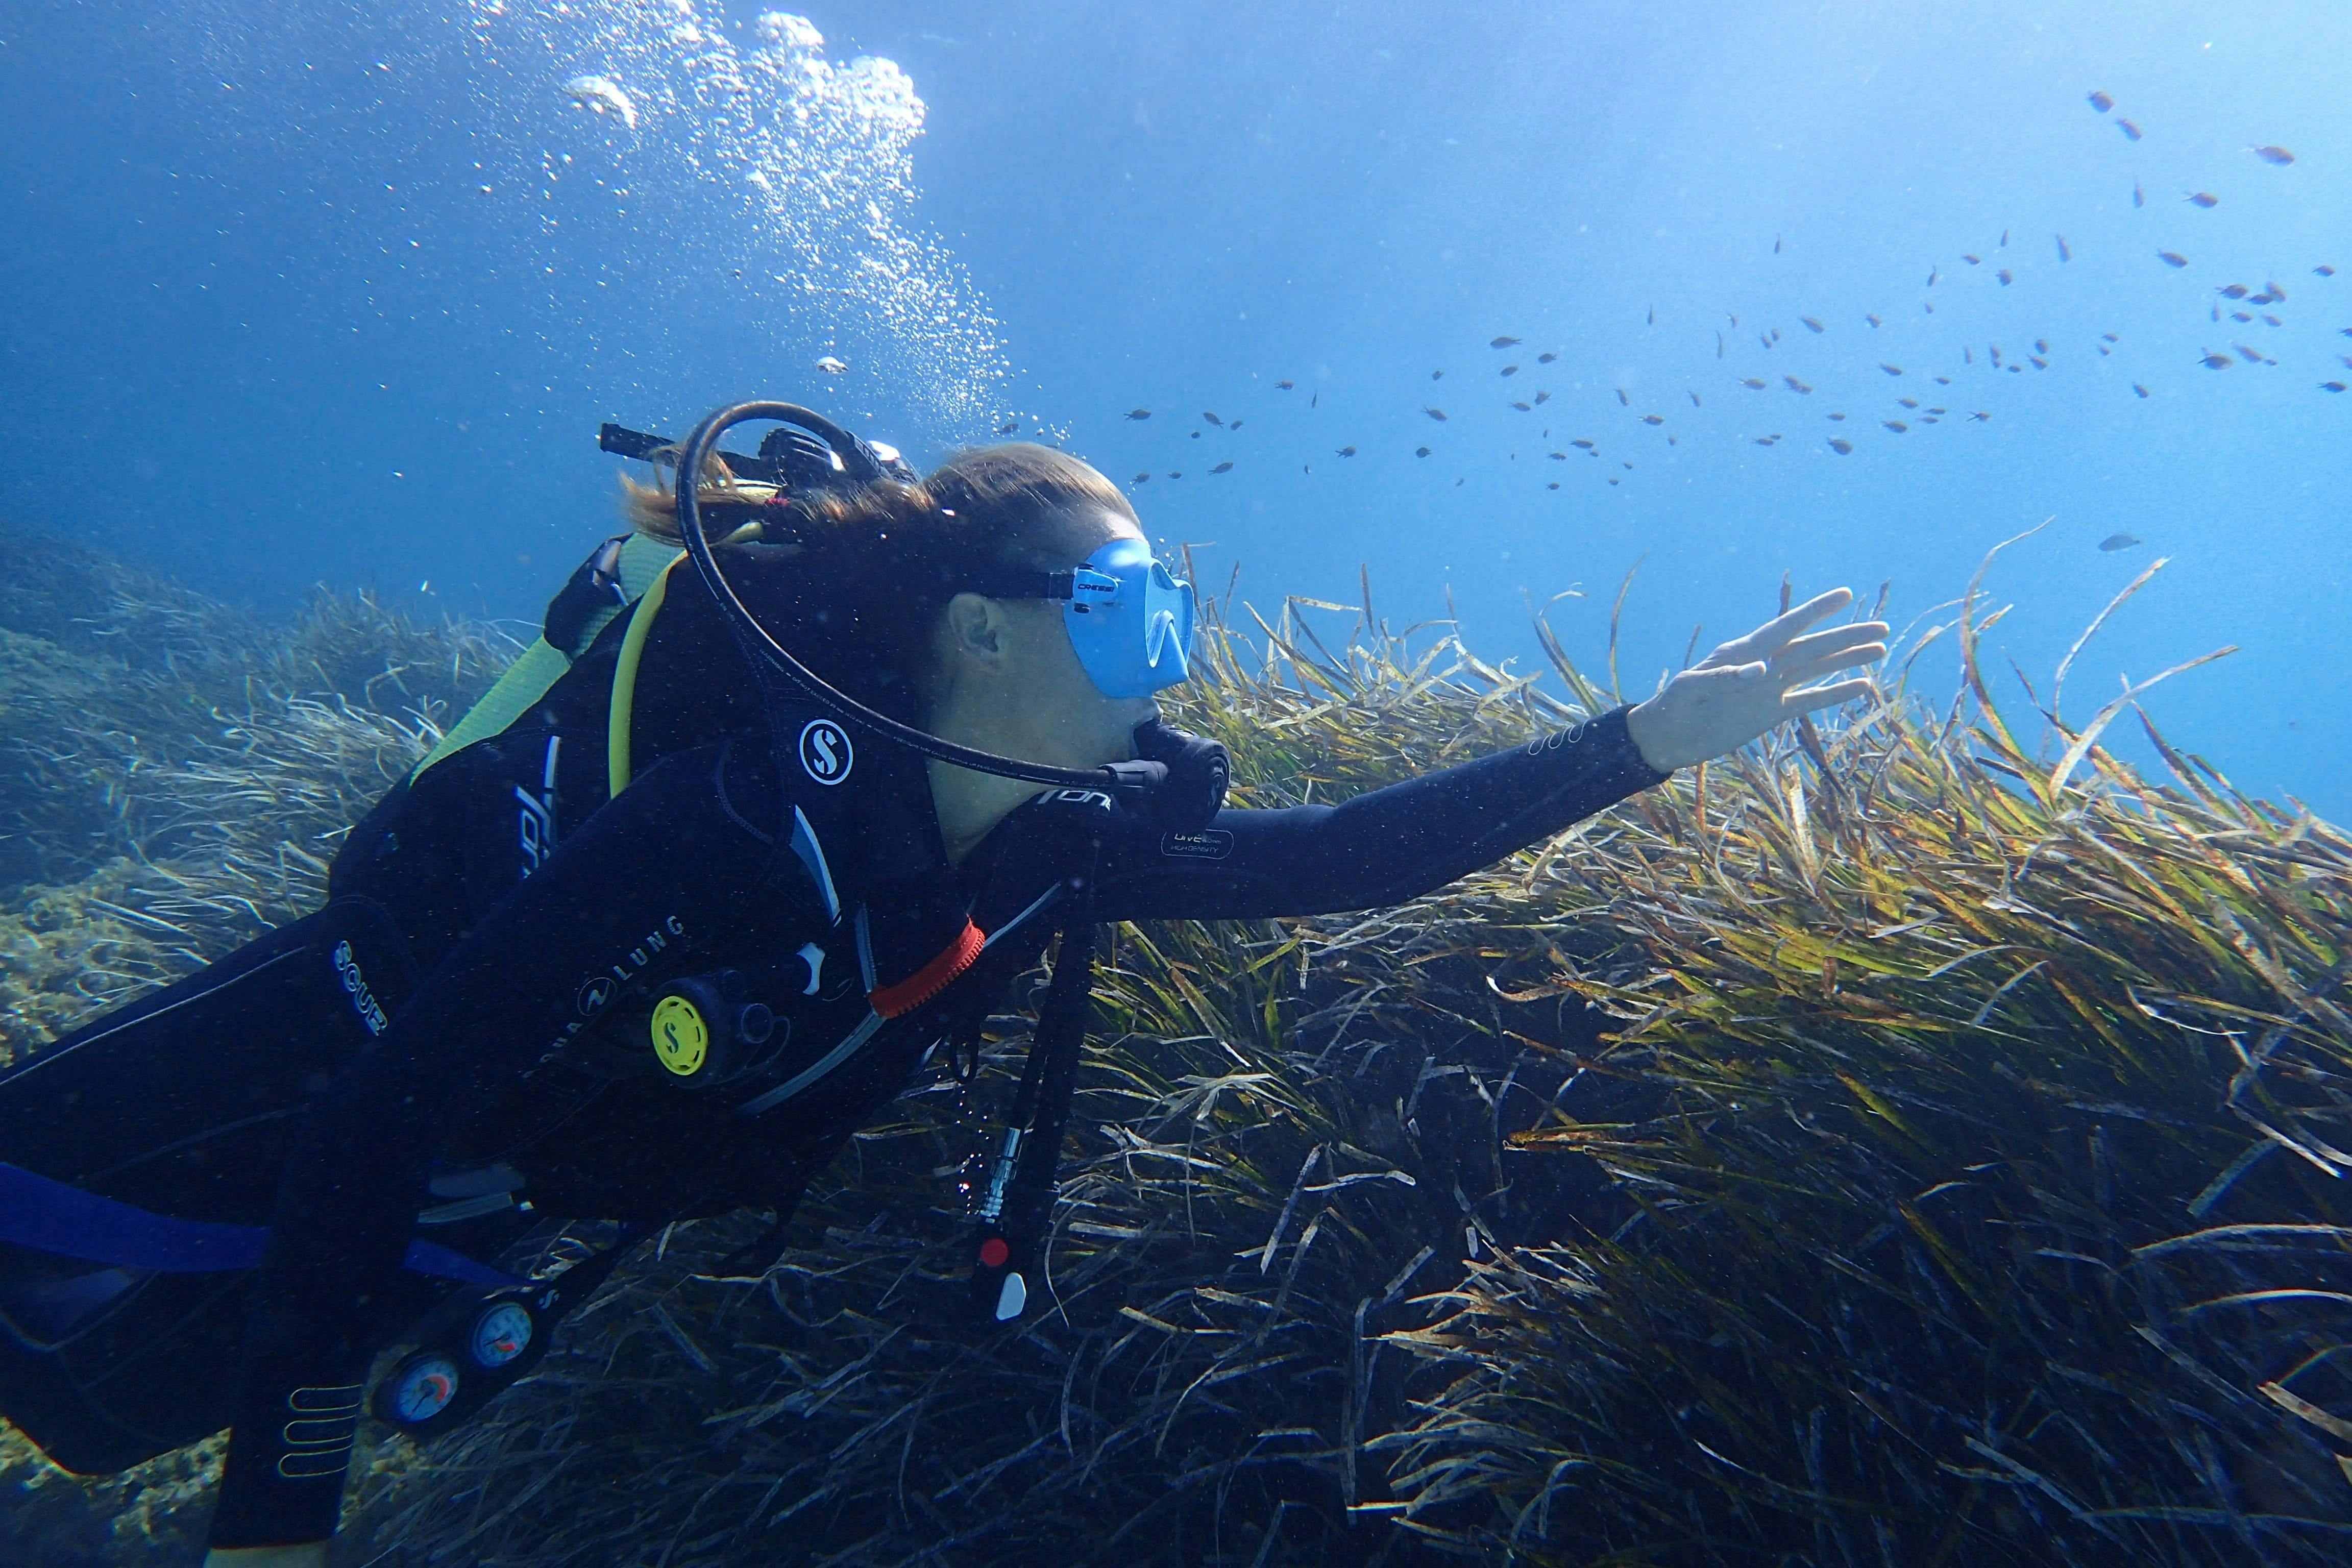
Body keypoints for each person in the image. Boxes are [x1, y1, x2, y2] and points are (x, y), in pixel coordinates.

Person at [0, 410, 1886, 1566]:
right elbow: (373, 1116)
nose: (1174, 660)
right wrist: (272, 1534)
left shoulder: (1052, 832)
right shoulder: (733, 829)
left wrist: (1650, 735)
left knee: (78, 1419)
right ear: (983, 633)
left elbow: (1341, 860)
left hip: (470, 1212)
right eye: (1137, 613)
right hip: (325, 1077)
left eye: (1177, 613)